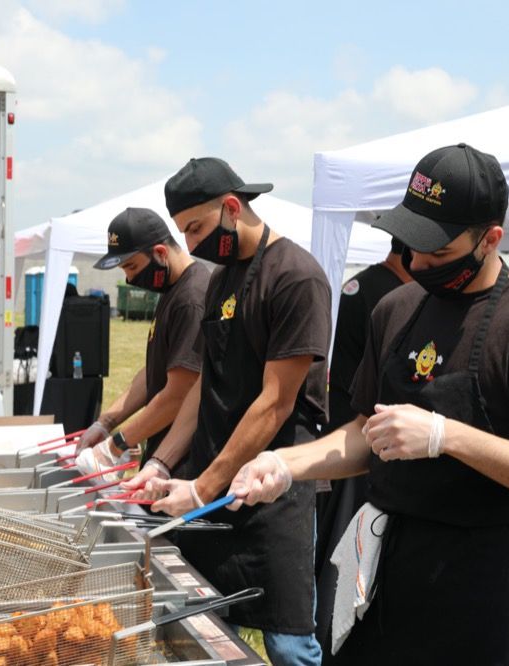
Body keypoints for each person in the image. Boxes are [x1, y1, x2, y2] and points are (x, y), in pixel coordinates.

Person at [226, 144, 509, 664]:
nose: (417, 261)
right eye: (411, 242)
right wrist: (285, 464)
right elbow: (365, 432)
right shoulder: (395, 310)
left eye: (438, 251)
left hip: (475, 584)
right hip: (380, 569)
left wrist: (448, 437)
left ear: (490, 238)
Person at [124, 157, 331, 666]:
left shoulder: (296, 276)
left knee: (288, 643)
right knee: (209, 633)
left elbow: (275, 401)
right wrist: (163, 463)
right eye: (181, 232)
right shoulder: (220, 282)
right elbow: (200, 392)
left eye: (195, 227)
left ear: (232, 208)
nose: (189, 244)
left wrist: (204, 486)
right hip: (218, 485)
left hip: (276, 488)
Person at [315, 233, 411, 661]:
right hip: (362, 438)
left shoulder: (362, 285)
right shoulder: (391, 296)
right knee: (346, 551)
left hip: (347, 428)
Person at [74, 207, 209, 481]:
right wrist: (106, 422)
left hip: (184, 462)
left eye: (132, 266)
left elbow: (178, 394)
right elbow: (153, 373)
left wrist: (115, 446)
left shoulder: (192, 298)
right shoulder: (173, 290)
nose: (130, 278)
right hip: (160, 451)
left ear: (160, 253)